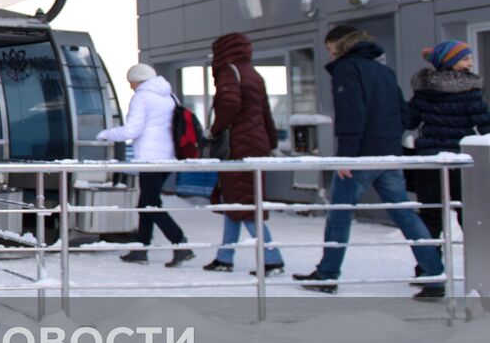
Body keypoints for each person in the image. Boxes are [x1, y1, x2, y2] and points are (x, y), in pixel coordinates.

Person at [295, 26, 445, 298]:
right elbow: (403, 113)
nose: (329, 54)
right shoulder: (383, 71)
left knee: (340, 214)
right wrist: (390, 143)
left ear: (340, 46)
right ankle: (435, 273)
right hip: (389, 154)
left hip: (363, 156)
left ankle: (327, 274)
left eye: (330, 49)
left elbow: (351, 113)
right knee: (405, 215)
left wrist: (347, 156)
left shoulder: (347, 69)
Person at [202, 32, 285, 275]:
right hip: (255, 145)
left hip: (238, 146)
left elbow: (229, 105)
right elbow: (265, 112)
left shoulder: (230, 72)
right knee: (236, 202)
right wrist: (270, 143)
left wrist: (213, 130)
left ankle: (272, 259)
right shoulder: (253, 73)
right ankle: (224, 256)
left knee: (246, 205)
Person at [96, 63, 193, 266]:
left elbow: (132, 130)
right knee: (147, 203)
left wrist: (105, 134)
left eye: (131, 81)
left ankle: (179, 242)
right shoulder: (169, 96)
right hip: (168, 158)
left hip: (149, 158)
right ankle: (141, 249)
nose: (130, 86)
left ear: (138, 80)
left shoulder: (142, 97)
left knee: (150, 205)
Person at [404, 40, 490, 243]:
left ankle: (429, 268)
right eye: (466, 59)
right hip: (460, 160)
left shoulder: (424, 92)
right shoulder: (470, 91)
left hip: (429, 160)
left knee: (431, 215)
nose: (470, 63)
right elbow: (484, 123)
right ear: (451, 61)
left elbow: (409, 120)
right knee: (469, 214)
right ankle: (479, 268)